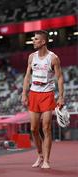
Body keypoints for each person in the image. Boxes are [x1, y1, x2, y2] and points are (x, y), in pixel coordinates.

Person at [22, 30, 64, 169]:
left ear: (44, 42)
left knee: (46, 128)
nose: (33, 41)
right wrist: (24, 93)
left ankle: (47, 160)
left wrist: (61, 97)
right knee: (34, 129)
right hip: (34, 94)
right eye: (33, 39)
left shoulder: (53, 58)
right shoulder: (31, 57)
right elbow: (27, 76)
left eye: (36, 39)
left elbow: (59, 78)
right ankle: (39, 155)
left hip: (47, 94)